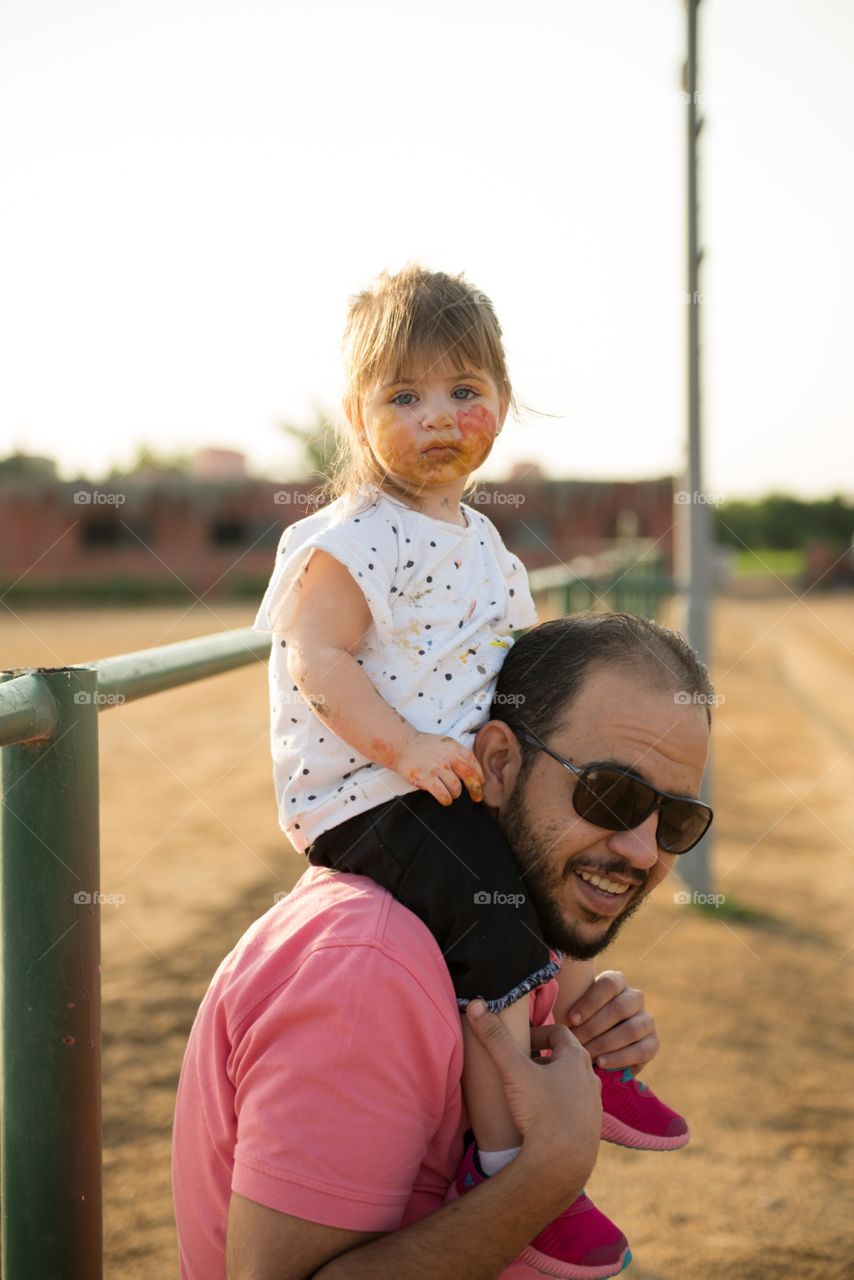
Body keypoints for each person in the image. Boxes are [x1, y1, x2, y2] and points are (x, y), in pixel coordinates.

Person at [239, 265, 710, 1275]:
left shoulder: (484, 541)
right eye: (402, 397)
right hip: (372, 795)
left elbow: (509, 672)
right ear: (357, 417)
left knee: (545, 895)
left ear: (499, 395)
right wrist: (404, 746)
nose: (438, 416)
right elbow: (314, 659)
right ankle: (517, 1172)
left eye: (463, 389)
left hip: (448, 785)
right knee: (498, 926)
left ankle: (568, 1060)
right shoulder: (350, 536)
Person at [171, 610, 715, 1279]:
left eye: (678, 820)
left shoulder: (513, 939)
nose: (640, 849)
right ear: (498, 763)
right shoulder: (367, 973)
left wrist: (579, 1043)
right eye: (609, 794)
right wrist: (545, 1175)